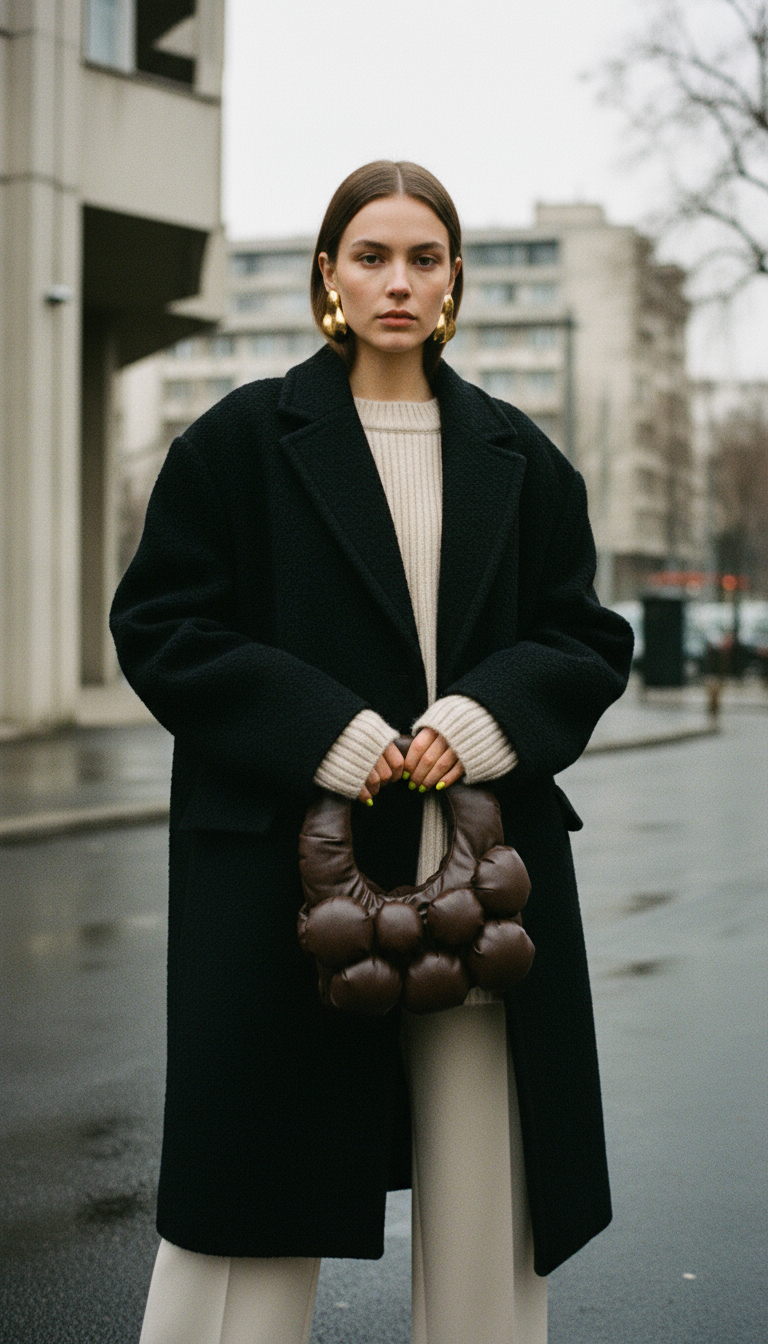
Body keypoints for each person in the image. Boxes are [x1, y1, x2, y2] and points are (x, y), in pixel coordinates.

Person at [111, 160, 634, 1344]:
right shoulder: (242, 440)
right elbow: (163, 625)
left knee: (485, 1160)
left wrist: (479, 720)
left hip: (482, 859)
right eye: (372, 255)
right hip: (284, 864)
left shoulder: (517, 452)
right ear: (329, 277)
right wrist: (328, 733)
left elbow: (587, 636)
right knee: (259, 1169)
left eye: (425, 258)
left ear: (452, 283)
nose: (399, 281)